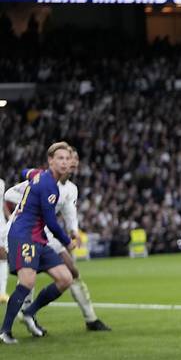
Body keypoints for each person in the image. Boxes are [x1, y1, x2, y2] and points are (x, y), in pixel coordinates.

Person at [3, 148, 111, 331]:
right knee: (30, 277)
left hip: (48, 234)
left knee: (70, 273)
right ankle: (23, 317)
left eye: (73, 160)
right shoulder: (42, 180)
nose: (72, 163)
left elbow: (70, 213)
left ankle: (88, 318)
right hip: (27, 230)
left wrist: (74, 231)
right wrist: (30, 202)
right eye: (68, 159)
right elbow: (9, 194)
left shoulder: (71, 189)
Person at [0, 142, 75, 344]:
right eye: (60, 158)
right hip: (24, 234)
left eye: (67, 158)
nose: (65, 162)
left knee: (65, 278)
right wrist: (68, 241)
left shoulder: (39, 175)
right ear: (50, 161)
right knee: (27, 282)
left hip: (38, 237)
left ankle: (29, 312)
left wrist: (33, 174)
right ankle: (4, 331)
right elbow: (51, 221)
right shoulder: (49, 185)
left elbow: (25, 171)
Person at [0, 178, 7, 303]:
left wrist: (10, 215)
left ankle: (2, 293)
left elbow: (3, 203)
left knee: (3, 255)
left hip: (1, 226)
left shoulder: (1, 183)